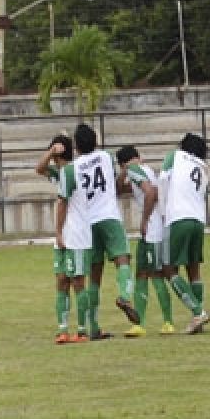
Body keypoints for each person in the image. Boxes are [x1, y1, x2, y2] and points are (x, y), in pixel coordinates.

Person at [56, 124, 139, 338]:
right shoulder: (105, 157)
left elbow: (64, 199)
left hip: (87, 223)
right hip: (109, 216)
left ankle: (93, 327)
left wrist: (59, 231)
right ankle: (124, 295)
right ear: (95, 141)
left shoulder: (72, 168)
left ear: (76, 146)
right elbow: (114, 184)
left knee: (94, 276)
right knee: (123, 260)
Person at [116, 145, 174, 337]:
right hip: (149, 232)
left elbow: (151, 193)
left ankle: (168, 321)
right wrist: (124, 173)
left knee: (156, 275)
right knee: (141, 274)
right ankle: (139, 323)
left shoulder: (136, 170)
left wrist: (144, 219)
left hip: (153, 230)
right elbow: (120, 188)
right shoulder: (142, 170)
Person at [36, 134, 90, 344]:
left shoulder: (71, 171)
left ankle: (82, 330)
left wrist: (58, 232)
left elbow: (62, 203)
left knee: (77, 281)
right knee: (61, 280)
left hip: (75, 233)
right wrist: (50, 153)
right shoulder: (61, 173)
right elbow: (39, 169)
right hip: (66, 234)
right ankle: (63, 329)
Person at [162, 132, 210, 334]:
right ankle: (196, 319)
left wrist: (162, 213)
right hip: (198, 220)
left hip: (178, 217)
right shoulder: (205, 168)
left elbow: (163, 182)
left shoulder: (174, 156)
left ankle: (198, 311)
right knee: (193, 269)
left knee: (168, 269)